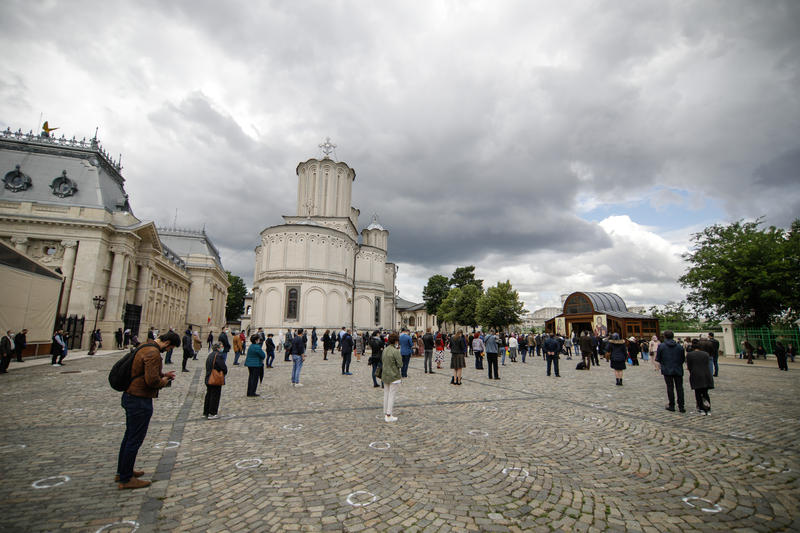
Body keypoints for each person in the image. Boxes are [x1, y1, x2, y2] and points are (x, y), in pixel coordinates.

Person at [116, 330, 180, 489]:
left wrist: (163, 374)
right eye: (170, 348)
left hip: (131, 395)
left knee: (129, 436)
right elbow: (152, 381)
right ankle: (126, 478)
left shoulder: (145, 347)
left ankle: (123, 471)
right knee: (134, 439)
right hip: (139, 399)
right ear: (167, 343)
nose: (169, 351)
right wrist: (164, 380)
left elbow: (142, 372)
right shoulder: (153, 353)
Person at [655, 330, 686, 412]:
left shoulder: (661, 346)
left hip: (667, 369)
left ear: (664, 336)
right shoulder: (679, 346)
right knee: (679, 388)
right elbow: (683, 359)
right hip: (678, 368)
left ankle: (671, 405)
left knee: (670, 387)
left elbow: (658, 358)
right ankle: (681, 406)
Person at [686, 339, 714, 414]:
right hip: (706, 374)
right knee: (705, 393)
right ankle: (708, 408)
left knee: (698, 393)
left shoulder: (690, 355)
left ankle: (701, 408)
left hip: (696, 374)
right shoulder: (706, 354)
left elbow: (689, 366)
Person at [381, 333, 403, 422]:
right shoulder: (395, 351)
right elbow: (400, 364)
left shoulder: (385, 350)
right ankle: (389, 414)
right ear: (396, 341)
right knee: (391, 395)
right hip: (394, 375)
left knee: (386, 393)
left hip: (385, 374)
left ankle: (385, 412)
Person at [203, 343, 228, 419]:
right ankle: (212, 413)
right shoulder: (218, 356)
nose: (222, 348)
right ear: (217, 348)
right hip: (215, 378)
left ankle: (206, 411)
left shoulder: (210, 355)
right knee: (215, 396)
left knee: (209, 395)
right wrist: (224, 372)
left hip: (208, 377)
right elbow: (223, 367)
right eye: (221, 347)